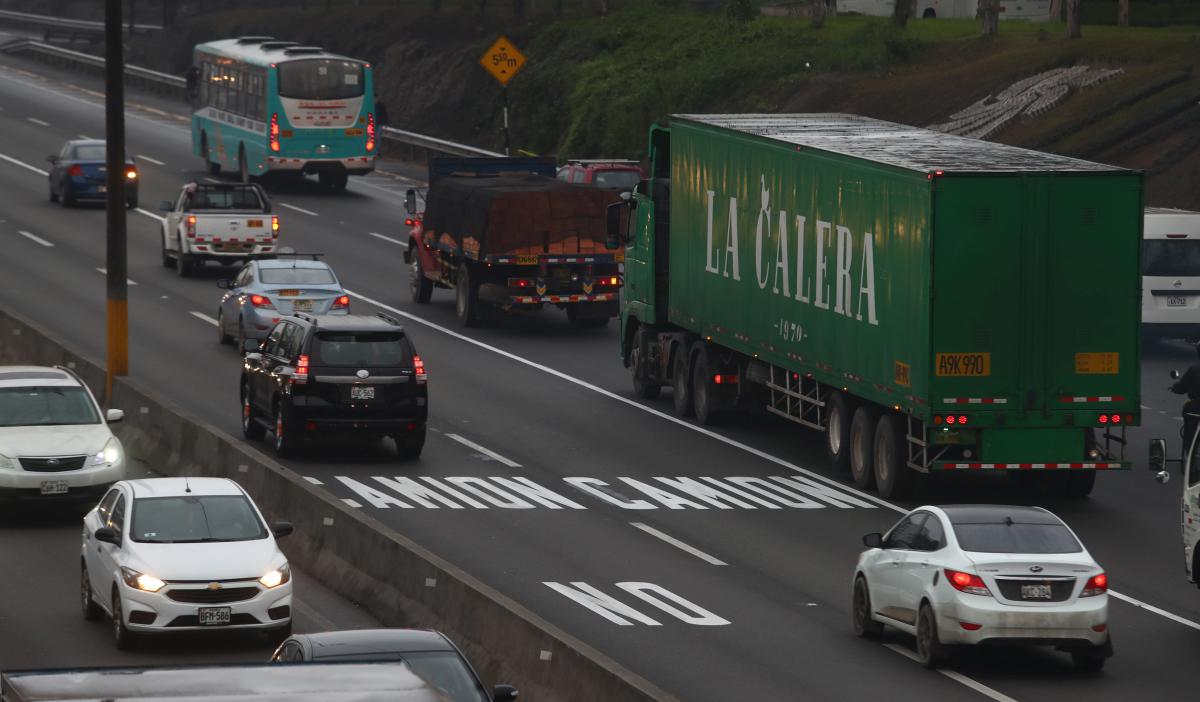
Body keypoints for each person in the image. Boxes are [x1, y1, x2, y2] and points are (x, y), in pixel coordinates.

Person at [1171, 342, 1200, 445]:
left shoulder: (1194, 369)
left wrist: (1175, 387)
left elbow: (1181, 388)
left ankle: (1190, 451)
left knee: (1190, 435)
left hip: (1196, 407)